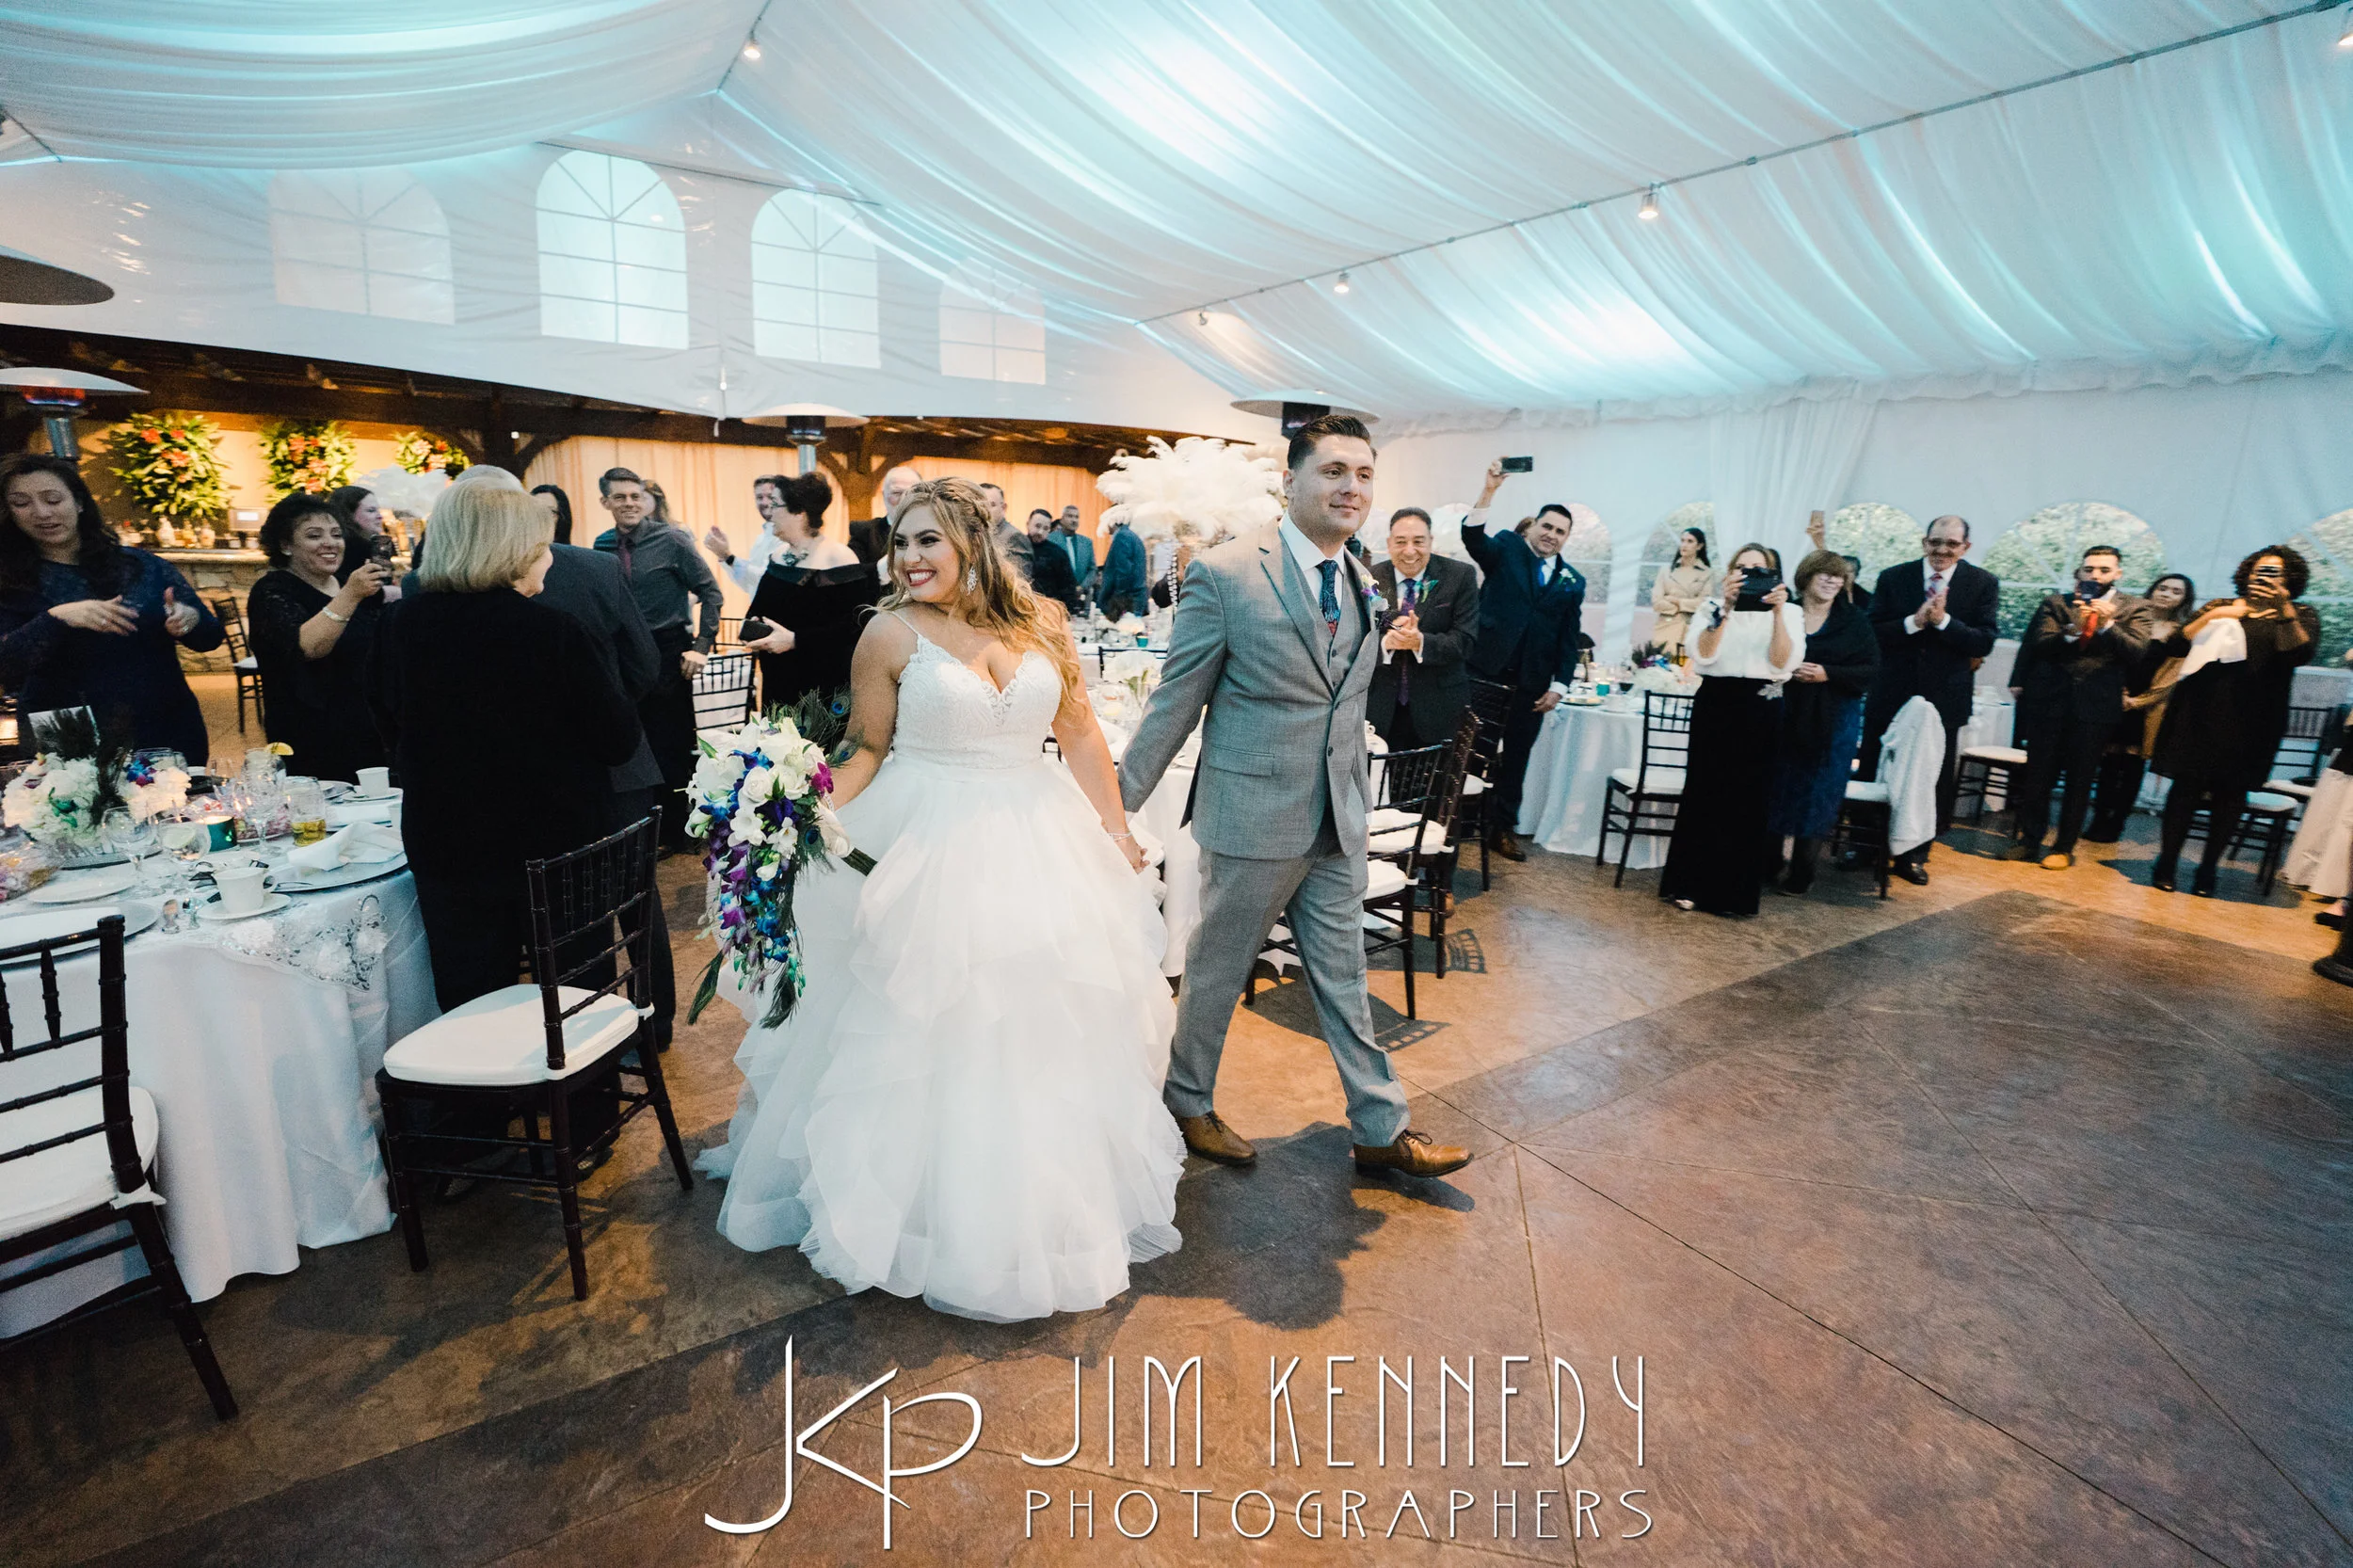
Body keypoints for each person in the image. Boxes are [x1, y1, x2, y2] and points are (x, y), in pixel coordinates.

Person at [705, 475, 1182, 1322]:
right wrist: (801, 810)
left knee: (1035, 1025)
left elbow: (1078, 730)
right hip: (925, 840)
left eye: (927, 540)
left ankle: (1031, 1206)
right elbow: (865, 747)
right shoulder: (888, 631)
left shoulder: (1044, 621)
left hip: (1039, 837)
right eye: (900, 542)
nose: (909, 558)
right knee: (923, 1025)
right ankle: (917, 1210)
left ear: (973, 542)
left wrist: (1114, 829)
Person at [1118, 413, 1470, 1181]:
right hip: (1251, 817)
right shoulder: (1226, 573)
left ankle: (1380, 1128)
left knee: (1346, 979)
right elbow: (1175, 702)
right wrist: (1114, 812)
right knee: (1216, 971)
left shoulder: (1364, 578)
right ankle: (1188, 1101)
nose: (1352, 488)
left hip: (1338, 817)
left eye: (1365, 474)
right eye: (1334, 471)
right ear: (1291, 481)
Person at [366, 484, 642, 1011]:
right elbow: (618, 741)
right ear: (514, 550)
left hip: (447, 844)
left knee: (471, 1002)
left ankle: (486, 1068)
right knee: (574, 1000)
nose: (549, 559)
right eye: (542, 546)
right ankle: (577, 1069)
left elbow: (389, 730)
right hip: (555, 852)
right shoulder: (553, 631)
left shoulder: (398, 625)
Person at [0, 453, 223, 760]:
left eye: (53, 499)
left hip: (161, 719)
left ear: (79, 502)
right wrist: (56, 618)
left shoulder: (141, 566)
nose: (41, 513)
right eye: (21, 503)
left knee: (175, 792)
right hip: (65, 732)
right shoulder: (8, 579)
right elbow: (7, 664)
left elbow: (210, 638)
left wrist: (190, 619)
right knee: (75, 792)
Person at [2148, 546, 2316, 896]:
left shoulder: (2300, 614)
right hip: (2199, 711)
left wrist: (2283, 609)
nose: (2263, 576)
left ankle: (2208, 870)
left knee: (2232, 792)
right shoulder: (2221, 605)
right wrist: (2219, 613)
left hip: (2255, 718)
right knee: (2186, 788)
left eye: (2274, 571)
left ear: (2290, 578)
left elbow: (2299, 654)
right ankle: (2166, 862)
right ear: (2247, 573)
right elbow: (2176, 645)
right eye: (2259, 569)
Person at [1856, 515, 2000, 885]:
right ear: (1924, 542)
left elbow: (1984, 641)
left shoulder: (1983, 583)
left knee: (1932, 778)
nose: (1942, 550)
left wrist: (1944, 622)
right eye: (1936, 542)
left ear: (1965, 547)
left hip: (1944, 698)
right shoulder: (1894, 577)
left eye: (1951, 544)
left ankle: (1914, 855)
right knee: (1873, 766)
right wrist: (1913, 623)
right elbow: (1871, 632)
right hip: (1890, 692)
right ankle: (1863, 845)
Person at [1661, 543, 1801, 916]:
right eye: (1742, 568)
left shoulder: (1790, 612)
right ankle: (1688, 884)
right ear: (1730, 573)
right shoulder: (1711, 607)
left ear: (1773, 575)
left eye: (1759, 569)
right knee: (1704, 791)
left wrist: (1777, 614)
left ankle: (1732, 895)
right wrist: (1725, 608)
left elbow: (1782, 663)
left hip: (1762, 705)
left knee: (1750, 799)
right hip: (1717, 702)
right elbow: (1703, 655)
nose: (1749, 576)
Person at [591, 467, 722, 849]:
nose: (629, 503)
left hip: (667, 650)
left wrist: (701, 646)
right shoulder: (600, 545)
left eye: (635, 496)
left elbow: (710, 592)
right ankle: (642, 831)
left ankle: (679, 834)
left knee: (671, 744)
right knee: (632, 742)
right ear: (605, 502)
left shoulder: (672, 540)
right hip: (622, 653)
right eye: (620, 497)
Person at [1461, 464, 1586, 863]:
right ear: (1533, 526)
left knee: (1516, 758)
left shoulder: (1573, 581)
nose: (1551, 535)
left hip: (1532, 685)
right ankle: (1455, 824)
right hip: (1485, 673)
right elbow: (1473, 538)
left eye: (1560, 531)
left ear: (1566, 538)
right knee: (1471, 750)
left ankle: (1501, 829)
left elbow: (1569, 639)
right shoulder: (1507, 548)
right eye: (1547, 526)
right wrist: (1488, 491)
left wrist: (1560, 685)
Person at [2011, 546, 2153, 869]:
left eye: (2104, 570)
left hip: (2096, 705)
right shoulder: (2057, 603)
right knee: (2038, 776)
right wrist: (2073, 629)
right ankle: (2028, 841)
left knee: (2080, 780)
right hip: (2049, 699)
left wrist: (2107, 625)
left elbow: (2137, 652)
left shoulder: (2136, 607)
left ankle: (2064, 847)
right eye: (2089, 569)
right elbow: (2038, 644)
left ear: (2118, 573)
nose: (2095, 575)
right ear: (2079, 572)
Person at [245, 493, 392, 782]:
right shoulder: (272, 590)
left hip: (367, 729)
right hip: (312, 735)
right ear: (285, 545)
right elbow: (308, 647)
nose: (330, 543)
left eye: (336, 534)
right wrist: (351, 595)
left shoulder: (347, 583)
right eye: (314, 536)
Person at [1768, 550, 1879, 895]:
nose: (1833, 580)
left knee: (1819, 792)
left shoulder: (1854, 621)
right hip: (1785, 711)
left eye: (1839, 576)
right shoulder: (1785, 613)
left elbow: (1870, 670)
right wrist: (1786, 671)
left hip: (1834, 719)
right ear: (1806, 577)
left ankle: (1803, 871)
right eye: (1825, 574)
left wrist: (1827, 673)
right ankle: (1768, 862)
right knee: (1777, 786)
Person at [741, 472, 878, 711]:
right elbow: (760, 607)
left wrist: (795, 640)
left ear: (799, 513)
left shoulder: (839, 557)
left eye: (775, 504)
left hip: (821, 683)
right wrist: (753, 626)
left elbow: (855, 624)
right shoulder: (778, 556)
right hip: (778, 678)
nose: (769, 513)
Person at [2085, 571, 2195, 842]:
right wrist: (2117, 692)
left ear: (2184, 600)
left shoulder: (2181, 634)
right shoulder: (2131, 620)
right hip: (2114, 697)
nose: (2166, 594)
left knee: (2132, 768)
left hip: (2147, 707)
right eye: (2163, 588)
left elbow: (2173, 677)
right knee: (2107, 765)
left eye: (2176, 592)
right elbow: (2113, 655)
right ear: (2152, 589)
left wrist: (2137, 701)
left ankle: (2116, 824)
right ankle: (2098, 819)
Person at [1368, 506, 1481, 749]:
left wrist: (1420, 642)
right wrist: (1387, 643)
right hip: (1380, 708)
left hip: (1440, 708)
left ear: (1431, 541)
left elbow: (1466, 641)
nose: (1410, 551)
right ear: (1389, 544)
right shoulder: (1370, 578)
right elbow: (1354, 638)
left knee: (1435, 775)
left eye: (1418, 541)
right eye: (1401, 542)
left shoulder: (1459, 576)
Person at [702, 473, 790, 595]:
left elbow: (768, 580)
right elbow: (749, 585)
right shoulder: (761, 539)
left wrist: (729, 558)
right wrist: (723, 556)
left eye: (770, 497)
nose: (765, 502)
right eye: (759, 497)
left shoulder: (788, 537)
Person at [1646, 527, 1712, 659]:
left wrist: (1677, 601)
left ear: (1699, 546)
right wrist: (1685, 606)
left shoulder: (1707, 573)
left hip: (1689, 628)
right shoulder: (1666, 570)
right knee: (1660, 664)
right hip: (1665, 626)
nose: (1684, 545)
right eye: (1682, 540)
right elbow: (1657, 602)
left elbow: (1704, 603)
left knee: (1684, 666)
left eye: (1690, 541)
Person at [849, 464, 920, 565]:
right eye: (897, 493)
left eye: (912, 493)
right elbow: (852, 572)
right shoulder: (864, 532)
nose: (904, 499)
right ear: (884, 495)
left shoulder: (938, 530)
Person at [1026, 506, 1083, 612]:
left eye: (1045, 528)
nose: (1040, 532)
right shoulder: (1017, 547)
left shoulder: (1058, 553)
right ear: (1028, 524)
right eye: (1037, 526)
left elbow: (1068, 588)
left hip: (1048, 611)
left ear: (1049, 530)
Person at [975, 481, 1034, 583]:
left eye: (992, 504)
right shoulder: (977, 532)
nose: (986, 509)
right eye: (981, 504)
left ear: (1003, 508)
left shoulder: (1015, 537)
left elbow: (1019, 582)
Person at [1097, 516, 1148, 620]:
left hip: (1126, 602)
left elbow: (1123, 570)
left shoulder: (1122, 536)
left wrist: (1117, 601)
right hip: (1135, 599)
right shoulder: (1133, 537)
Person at [1047, 505, 1096, 600]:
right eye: (1070, 516)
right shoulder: (1050, 539)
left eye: (1076, 517)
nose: (1074, 520)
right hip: (1056, 595)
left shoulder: (1086, 542)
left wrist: (1082, 587)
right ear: (1062, 520)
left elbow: (1092, 570)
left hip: (1080, 596)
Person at [528, 483, 576, 547]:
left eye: (550, 512)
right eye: (537, 510)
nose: (542, 516)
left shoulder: (573, 552)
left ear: (561, 518)